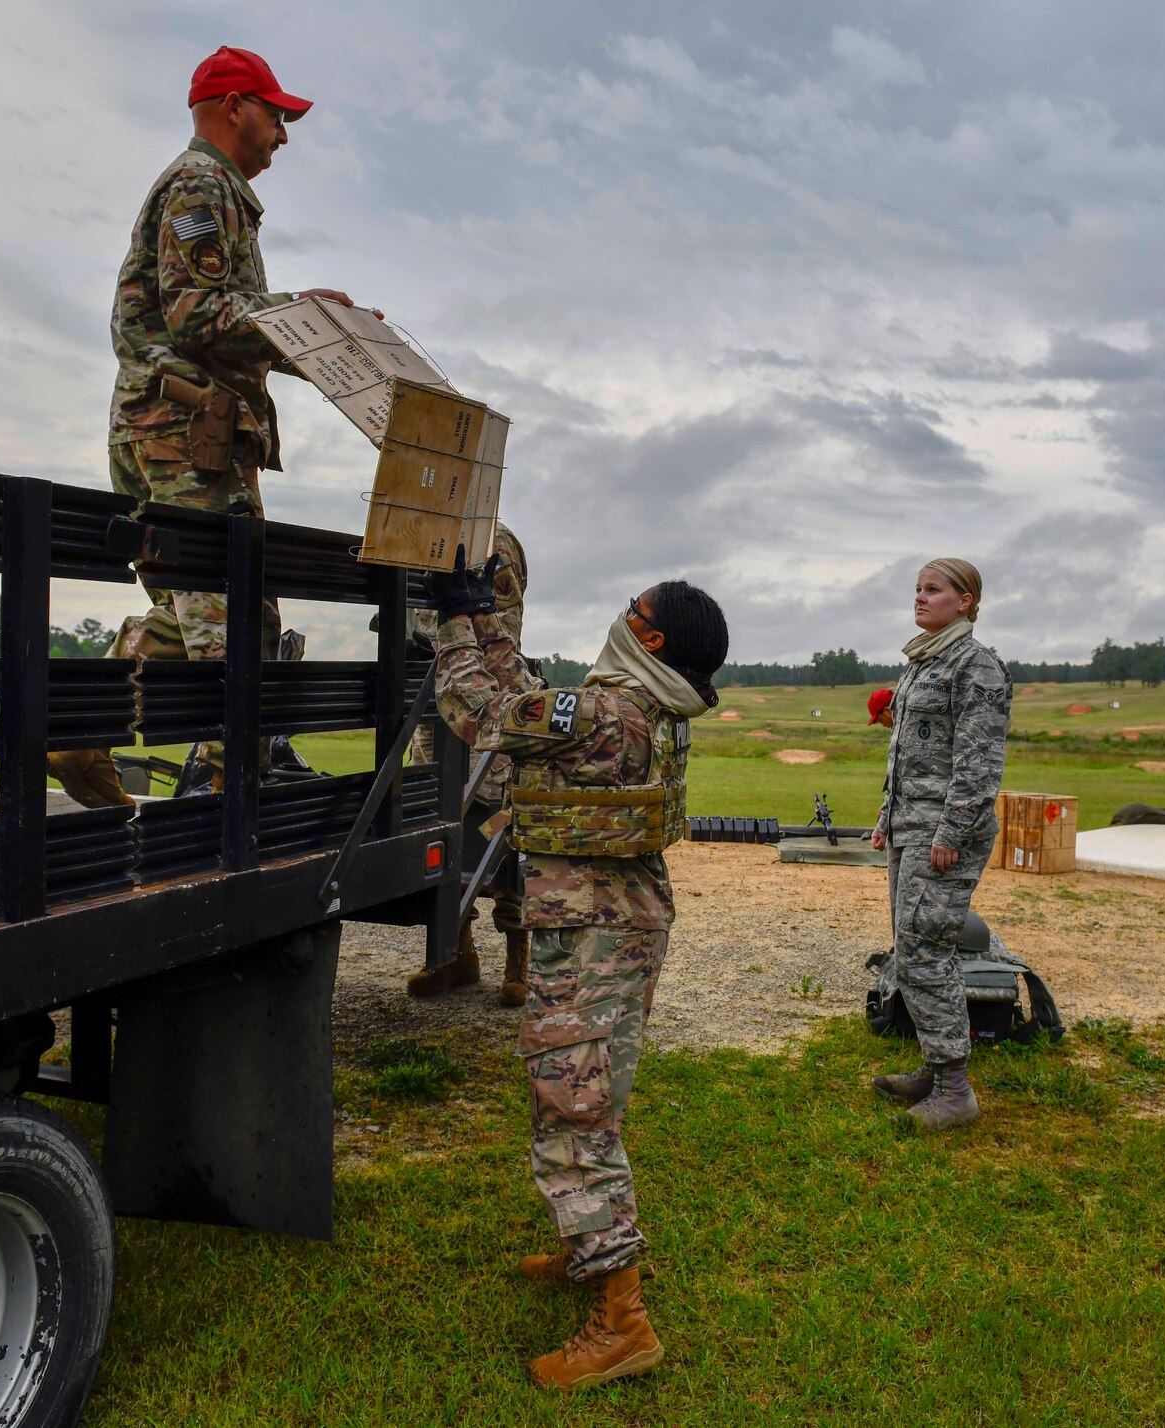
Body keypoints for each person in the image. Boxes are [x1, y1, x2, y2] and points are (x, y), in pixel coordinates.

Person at [426, 553, 728, 1392]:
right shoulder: (646, 708)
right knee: (596, 1094)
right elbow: (526, 688)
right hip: (624, 922)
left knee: (572, 1111)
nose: (620, 610)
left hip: (589, 933)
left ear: (650, 635)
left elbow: (479, 707)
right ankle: (587, 1251)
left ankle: (621, 1322)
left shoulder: (599, 715)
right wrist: (486, 614)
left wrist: (450, 619)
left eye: (633, 606)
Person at [49, 46, 377, 806]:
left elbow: (217, 320)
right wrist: (302, 319)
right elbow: (199, 315)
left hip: (183, 430)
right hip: (183, 431)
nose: (284, 135)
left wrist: (319, 339)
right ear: (234, 107)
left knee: (206, 613)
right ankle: (236, 796)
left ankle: (80, 724)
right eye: (277, 115)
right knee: (235, 624)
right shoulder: (203, 183)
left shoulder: (216, 190)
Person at [867, 559, 1012, 1131]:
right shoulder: (923, 661)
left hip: (945, 836)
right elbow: (905, 755)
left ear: (967, 600)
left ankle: (956, 1090)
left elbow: (978, 765)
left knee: (926, 948)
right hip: (911, 827)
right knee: (911, 945)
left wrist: (952, 833)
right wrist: (886, 816)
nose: (921, 598)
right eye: (918, 589)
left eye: (934, 590)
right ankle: (934, 1066)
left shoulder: (977, 667)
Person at [405, 520, 537, 1004]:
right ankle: (454, 953)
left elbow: (499, 631)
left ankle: (517, 963)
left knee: (499, 829)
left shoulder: (489, 540)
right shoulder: (409, 529)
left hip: (480, 692)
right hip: (430, 697)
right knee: (438, 826)